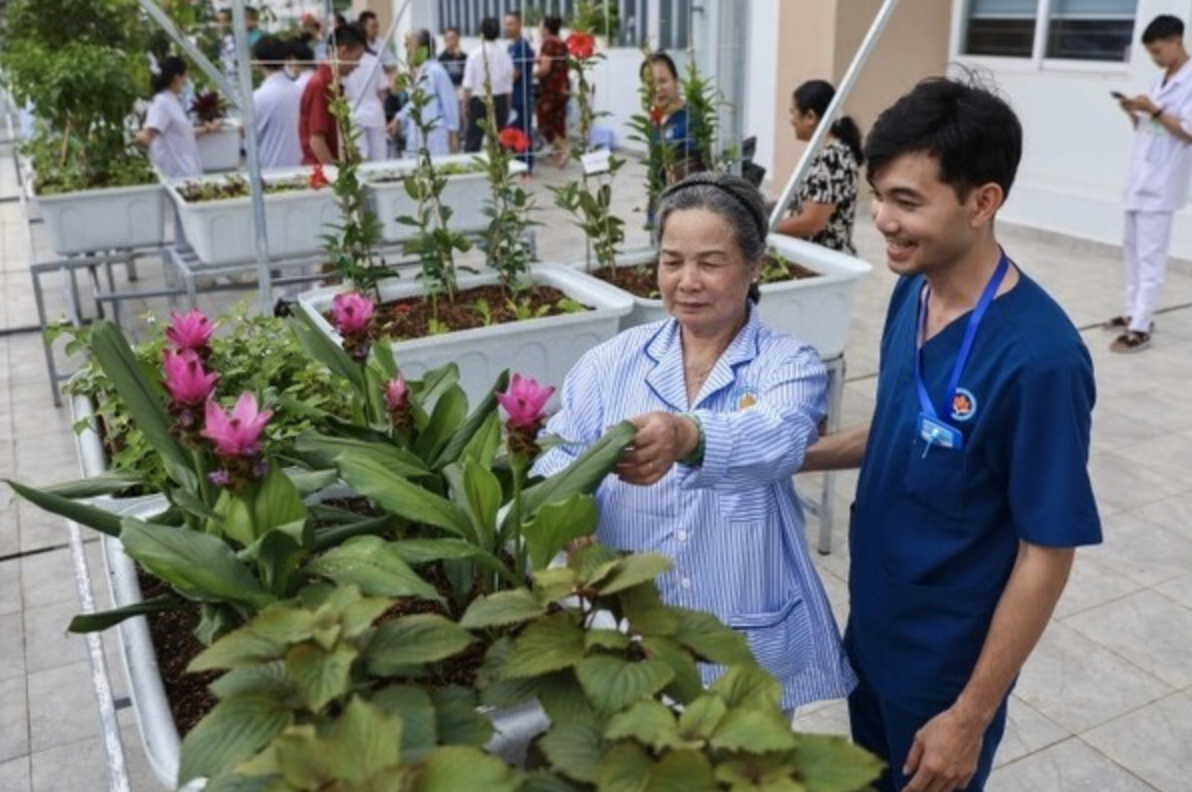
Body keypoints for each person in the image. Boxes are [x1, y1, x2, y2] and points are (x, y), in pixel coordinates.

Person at [802, 78, 1101, 792]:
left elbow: (1046, 553)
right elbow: (905, 430)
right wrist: (789, 456)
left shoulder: (1039, 360)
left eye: (907, 201)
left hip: (944, 668)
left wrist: (969, 715)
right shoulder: (915, 290)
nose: (882, 219)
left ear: (982, 201)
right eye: (879, 195)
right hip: (873, 625)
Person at [533, 172, 856, 713]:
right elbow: (556, 452)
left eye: (710, 263)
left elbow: (781, 436)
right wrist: (570, 523)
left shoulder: (788, 363)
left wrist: (689, 435)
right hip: (630, 628)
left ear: (755, 265)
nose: (687, 281)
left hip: (740, 638)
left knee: (745, 754)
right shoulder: (611, 362)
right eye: (671, 261)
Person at [1104, 14, 1192, 353]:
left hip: (1162, 185)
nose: (1155, 58)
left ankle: (1141, 327)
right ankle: (1133, 313)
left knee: (1151, 258)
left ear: (1176, 41)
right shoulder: (1161, 80)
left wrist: (1154, 111)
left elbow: (1188, 131)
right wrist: (1134, 112)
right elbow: (1149, 131)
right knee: (1132, 253)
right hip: (1139, 180)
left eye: (1157, 51)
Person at [137, 57, 219, 250]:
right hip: (178, 172)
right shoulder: (162, 104)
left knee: (188, 225)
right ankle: (185, 260)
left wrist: (208, 129)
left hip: (186, 171)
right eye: (185, 75)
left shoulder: (172, 101)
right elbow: (148, 135)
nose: (187, 79)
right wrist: (132, 137)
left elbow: (183, 133)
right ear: (177, 77)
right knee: (187, 224)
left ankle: (187, 259)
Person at [774, 80, 864, 255]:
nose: (791, 120)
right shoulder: (829, 152)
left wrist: (764, 228)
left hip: (824, 260)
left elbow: (812, 223)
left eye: (793, 112)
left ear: (810, 117)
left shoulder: (831, 157)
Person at [299, 24, 366, 165]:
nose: (358, 65)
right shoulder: (321, 84)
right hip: (322, 171)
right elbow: (316, 140)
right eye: (357, 58)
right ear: (343, 51)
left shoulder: (331, 82)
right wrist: (337, 174)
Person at [395, 29, 460, 156]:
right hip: (418, 134)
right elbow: (414, 103)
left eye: (411, 45)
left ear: (423, 49)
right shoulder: (419, 72)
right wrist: (399, 118)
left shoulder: (436, 71)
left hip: (435, 136)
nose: (408, 50)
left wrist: (453, 134)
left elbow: (450, 103)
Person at [645, 52, 700, 185]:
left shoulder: (691, 118)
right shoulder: (654, 118)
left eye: (663, 81)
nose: (657, 89)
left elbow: (695, 172)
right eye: (651, 84)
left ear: (676, 81)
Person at [462, 16, 514, 152]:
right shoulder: (505, 55)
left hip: (478, 101)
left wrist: (464, 105)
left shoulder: (474, 54)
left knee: (473, 141)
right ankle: (499, 165)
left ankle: (471, 164)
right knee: (498, 142)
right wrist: (507, 108)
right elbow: (508, 88)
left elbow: (468, 84)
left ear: (481, 32)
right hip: (500, 100)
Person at [343, 13, 391, 161]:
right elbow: (383, 91)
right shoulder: (374, 60)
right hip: (375, 113)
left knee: (360, 159)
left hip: (353, 113)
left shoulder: (344, 62)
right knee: (380, 158)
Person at [252, 35, 303, 169]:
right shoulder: (299, 91)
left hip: (271, 170)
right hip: (301, 167)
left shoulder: (258, 97)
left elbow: (250, 138)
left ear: (258, 62)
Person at [534, 15, 569, 168]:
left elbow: (545, 69)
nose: (539, 29)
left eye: (540, 26)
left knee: (544, 121)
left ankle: (564, 149)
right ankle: (558, 155)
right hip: (563, 87)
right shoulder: (562, 43)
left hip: (551, 88)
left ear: (546, 29)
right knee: (558, 120)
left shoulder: (548, 43)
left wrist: (531, 74)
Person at [506, 10, 536, 170]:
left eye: (511, 24)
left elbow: (514, 74)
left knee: (522, 133)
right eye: (506, 24)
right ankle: (519, 165)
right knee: (513, 133)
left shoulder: (522, 46)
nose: (508, 27)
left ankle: (526, 167)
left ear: (519, 25)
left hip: (521, 98)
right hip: (513, 98)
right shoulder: (511, 46)